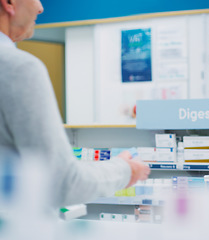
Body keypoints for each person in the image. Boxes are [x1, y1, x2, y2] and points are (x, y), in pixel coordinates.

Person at [0, 0, 150, 208]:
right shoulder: (18, 68)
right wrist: (126, 170)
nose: (40, 7)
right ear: (9, 3)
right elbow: (62, 183)